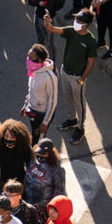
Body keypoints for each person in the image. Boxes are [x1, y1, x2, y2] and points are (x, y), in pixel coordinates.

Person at [41, 9, 97, 144]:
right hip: (65, 72)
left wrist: (82, 78)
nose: (75, 22)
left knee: (80, 103)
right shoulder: (71, 30)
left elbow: (90, 62)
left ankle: (81, 127)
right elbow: (52, 29)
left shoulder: (90, 40)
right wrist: (46, 21)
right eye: (76, 19)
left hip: (78, 77)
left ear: (85, 24)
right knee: (68, 98)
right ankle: (72, 119)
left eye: (79, 20)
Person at [22, 44, 58, 139]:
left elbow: (53, 101)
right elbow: (31, 90)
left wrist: (45, 123)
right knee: (34, 135)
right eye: (28, 55)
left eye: (31, 57)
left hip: (41, 114)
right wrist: (26, 104)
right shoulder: (33, 70)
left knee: (38, 141)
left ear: (40, 60)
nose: (28, 59)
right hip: (32, 109)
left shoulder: (49, 77)